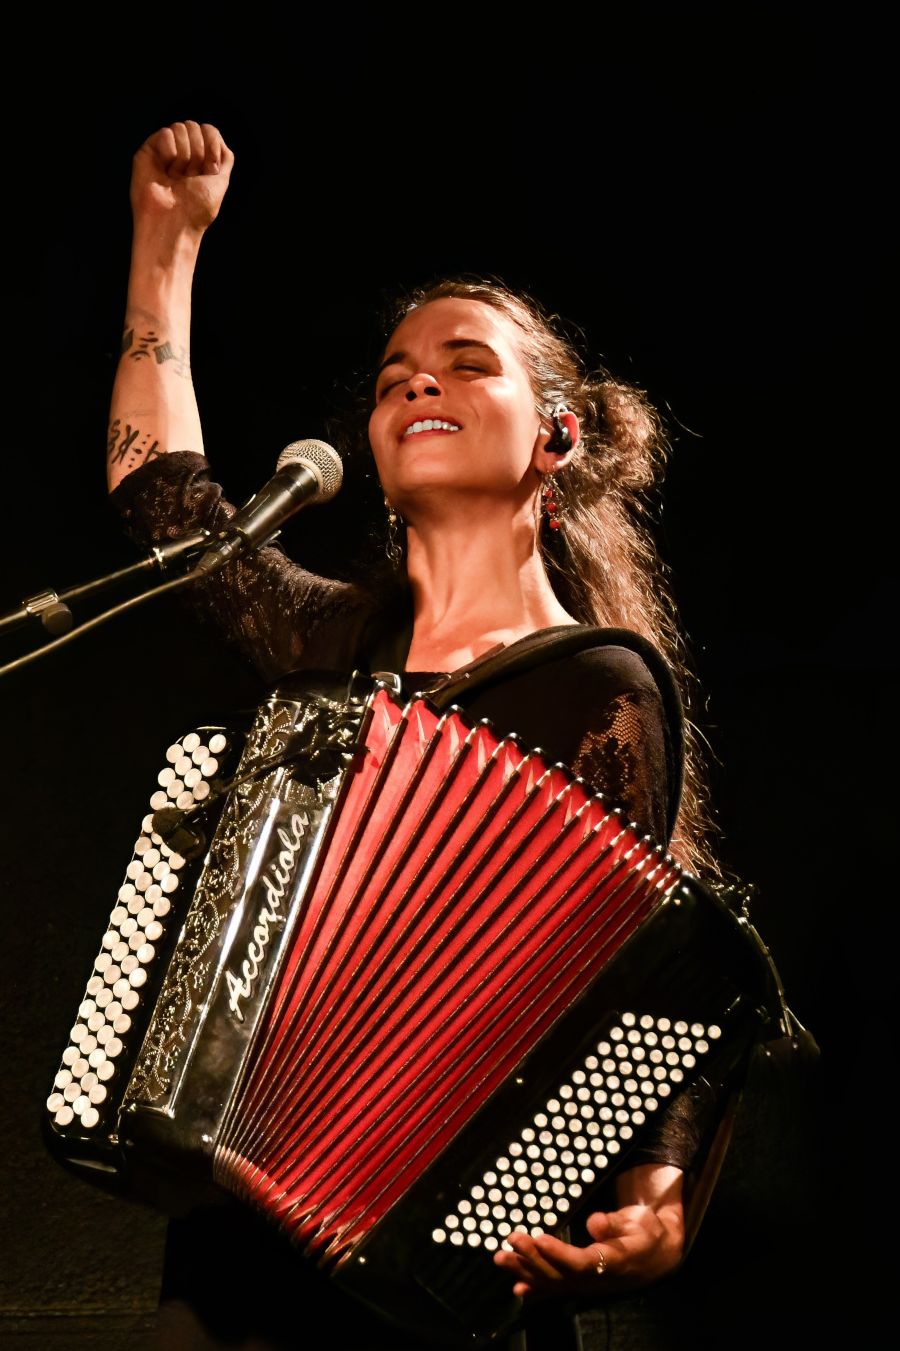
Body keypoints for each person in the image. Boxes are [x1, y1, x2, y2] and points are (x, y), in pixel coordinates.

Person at [105, 120, 750, 1351]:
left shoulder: (597, 684)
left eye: (467, 365)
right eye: (395, 372)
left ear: (556, 437)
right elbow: (166, 511)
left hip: (432, 1252)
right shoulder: (337, 642)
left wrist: (663, 1193)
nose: (416, 384)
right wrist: (165, 242)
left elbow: (649, 966)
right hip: (239, 1233)